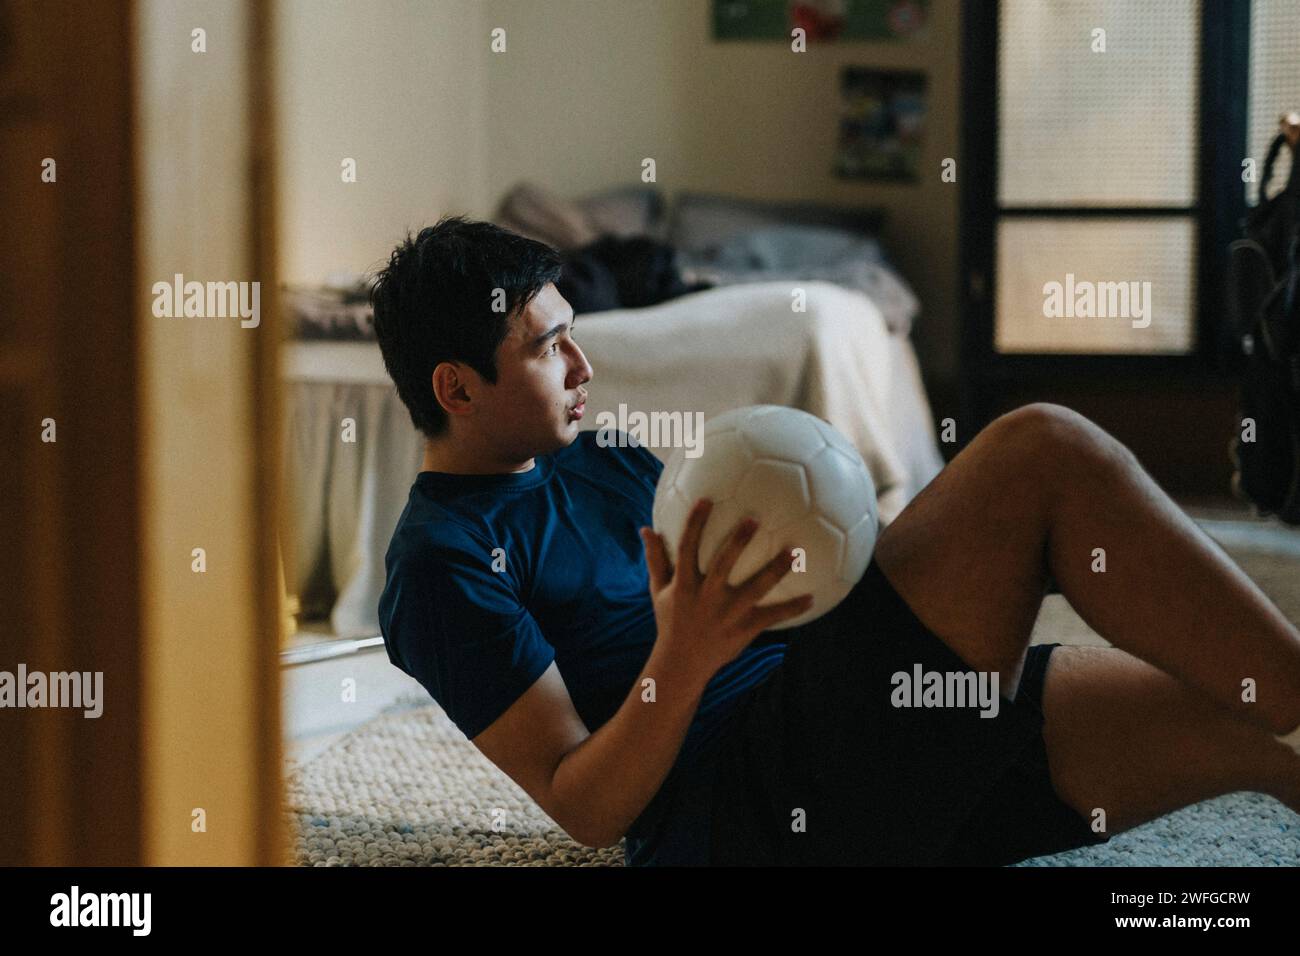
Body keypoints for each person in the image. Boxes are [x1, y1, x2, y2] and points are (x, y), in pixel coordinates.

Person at [372, 215, 1300, 866]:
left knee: (1259, 725)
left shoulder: (600, 458)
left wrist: (877, 552)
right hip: (753, 809)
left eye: (574, 335)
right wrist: (686, 655)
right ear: (456, 390)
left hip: (864, 723)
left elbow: (792, 599)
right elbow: (581, 805)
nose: (584, 366)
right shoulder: (440, 565)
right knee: (1039, 450)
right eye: (546, 349)